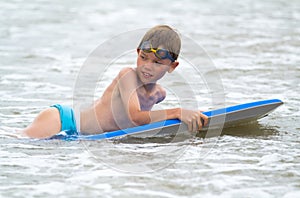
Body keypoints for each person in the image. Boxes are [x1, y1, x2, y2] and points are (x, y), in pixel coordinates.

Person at [22, 25, 208, 139]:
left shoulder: (160, 94)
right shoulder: (127, 76)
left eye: (157, 63)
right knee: (17, 143)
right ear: (137, 53)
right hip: (63, 121)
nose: (147, 66)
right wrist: (178, 112)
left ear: (172, 67)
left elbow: (139, 123)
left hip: (79, 136)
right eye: (143, 58)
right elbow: (135, 116)